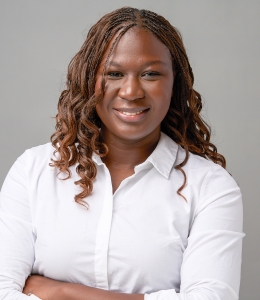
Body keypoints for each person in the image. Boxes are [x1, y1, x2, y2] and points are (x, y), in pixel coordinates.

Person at [0, 6, 244, 300]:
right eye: (114, 73)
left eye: (151, 74)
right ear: (90, 79)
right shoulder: (33, 171)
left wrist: (62, 291)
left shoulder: (211, 188)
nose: (131, 91)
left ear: (174, 81)